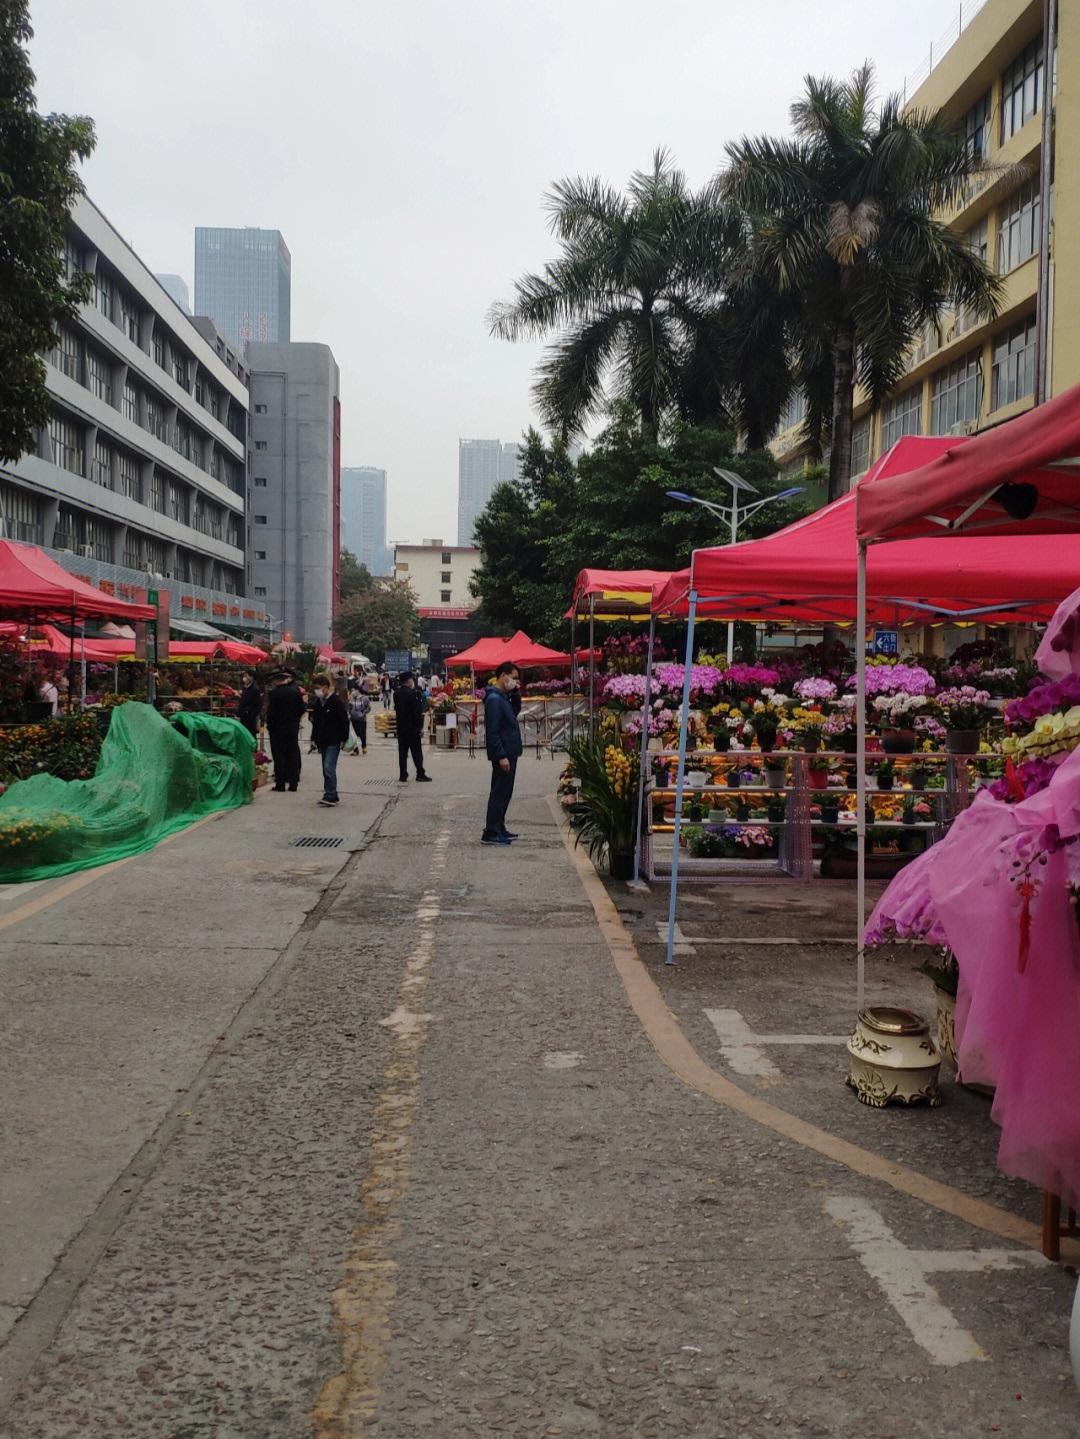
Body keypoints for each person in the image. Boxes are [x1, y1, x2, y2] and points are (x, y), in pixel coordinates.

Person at [481, 662, 522, 845]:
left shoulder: (503, 697)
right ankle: (491, 831)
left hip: (510, 750)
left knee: (505, 792)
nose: (515, 682)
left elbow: (513, 713)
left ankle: (499, 826)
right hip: (504, 752)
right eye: (513, 678)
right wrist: (500, 756)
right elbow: (493, 731)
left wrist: (516, 695)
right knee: (499, 792)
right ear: (503, 676)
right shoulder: (494, 700)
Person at [309, 671, 350, 805]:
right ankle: (330, 793)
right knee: (325, 768)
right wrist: (314, 738)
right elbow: (316, 723)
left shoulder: (336, 703)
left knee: (329, 767)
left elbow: (344, 722)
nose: (317, 691)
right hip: (322, 741)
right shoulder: (318, 704)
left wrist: (344, 738)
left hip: (334, 740)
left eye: (319, 688)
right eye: (315, 689)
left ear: (326, 688)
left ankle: (331, 794)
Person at [265, 668, 305, 791]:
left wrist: (270, 726)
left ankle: (280, 783)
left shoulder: (274, 694)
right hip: (292, 728)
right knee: (292, 753)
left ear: (276, 680)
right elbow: (302, 709)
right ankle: (293, 783)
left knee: (279, 755)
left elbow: (270, 714)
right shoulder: (295, 692)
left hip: (277, 730)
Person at [394, 671, 430, 782]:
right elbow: (417, 712)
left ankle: (403, 774)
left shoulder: (396, 694)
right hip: (412, 728)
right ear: (409, 681)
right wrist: (420, 727)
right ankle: (420, 773)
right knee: (416, 752)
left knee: (402, 753)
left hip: (401, 728)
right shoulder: (413, 694)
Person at [236, 670, 262, 738]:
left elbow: (258, 705)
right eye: (244, 676)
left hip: (249, 717)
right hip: (242, 716)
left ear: (251, 677)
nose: (245, 678)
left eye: (246, 676)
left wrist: (251, 715)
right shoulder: (244, 688)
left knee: (250, 735)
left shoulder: (255, 689)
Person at [348, 685, 370, 755]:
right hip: (353, 719)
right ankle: (355, 750)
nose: (353, 692)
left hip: (362, 719)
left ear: (358, 690)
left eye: (354, 690)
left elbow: (368, 707)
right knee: (354, 735)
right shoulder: (352, 699)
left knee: (362, 734)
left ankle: (364, 746)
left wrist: (364, 712)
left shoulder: (364, 698)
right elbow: (349, 707)